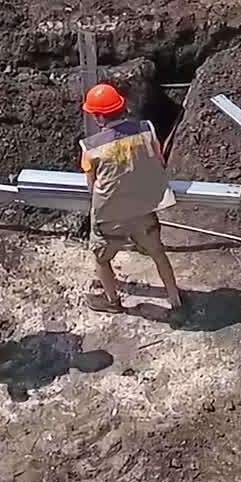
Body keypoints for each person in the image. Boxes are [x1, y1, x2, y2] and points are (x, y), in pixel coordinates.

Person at [80, 82, 184, 322]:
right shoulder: (146, 131)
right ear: (122, 106)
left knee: (101, 258)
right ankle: (175, 300)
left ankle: (112, 302)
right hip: (144, 208)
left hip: (111, 214)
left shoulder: (91, 148)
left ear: (97, 117)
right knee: (158, 252)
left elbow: (91, 186)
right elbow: (159, 161)